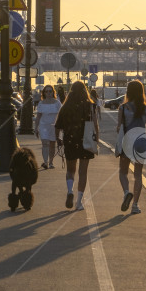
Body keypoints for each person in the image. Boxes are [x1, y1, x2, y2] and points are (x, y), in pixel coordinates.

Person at [54, 81, 99, 210]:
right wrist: (97, 140)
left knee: (70, 170)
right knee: (83, 172)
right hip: (86, 140)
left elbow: (58, 126)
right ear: (85, 91)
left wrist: (58, 140)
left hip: (70, 140)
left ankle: (70, 191)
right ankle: (79, 202)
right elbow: (95, 125)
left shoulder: (65, 106)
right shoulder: (90, 106)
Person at [116, 79, 146, 214]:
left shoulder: (123, 108)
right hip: (141, 142)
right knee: (138, 174)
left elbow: (119, 128)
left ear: (128, 92)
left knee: (123, 172)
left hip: (127, 141)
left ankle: (126, 192)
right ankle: (135, 205)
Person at [34, 85, 62, 169]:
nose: (49, 93)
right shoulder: (41, 103)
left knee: (52, 144)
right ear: (44, 93)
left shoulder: (57, 103)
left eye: (50, 91)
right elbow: (38, 116)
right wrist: (36, 128)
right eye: (47, 91)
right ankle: (45, 162)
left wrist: (62, 127)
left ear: (53, 92)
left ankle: (51, 162)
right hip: (43, 126)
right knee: (45, 143)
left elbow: (61, 115)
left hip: (54, 126)